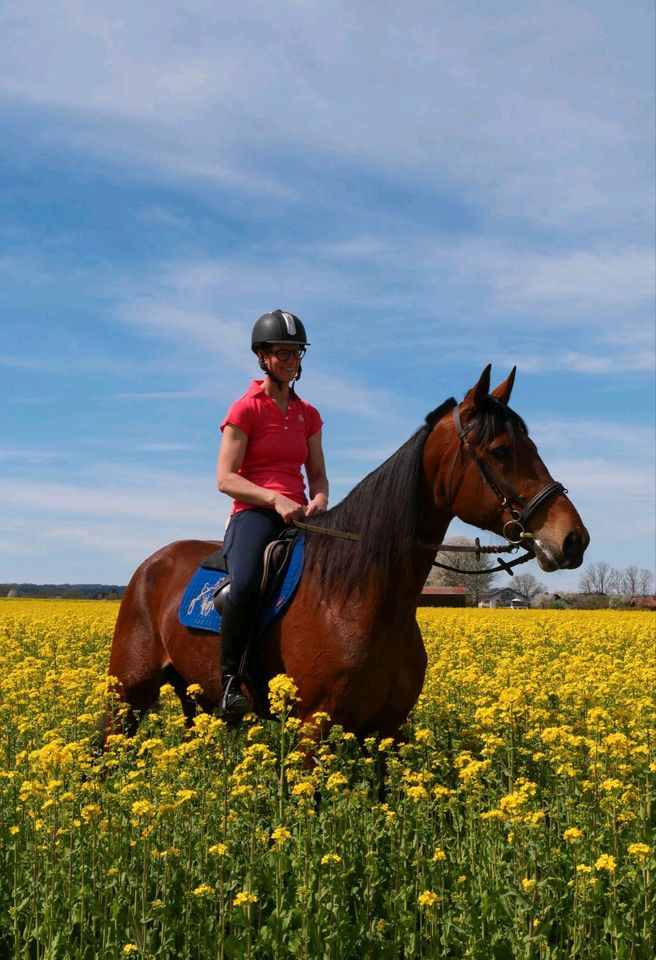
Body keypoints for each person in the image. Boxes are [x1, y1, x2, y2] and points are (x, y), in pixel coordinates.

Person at [216, 310, 329, 721]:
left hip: (301, 515)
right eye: (281, 352)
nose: (290, 359)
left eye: (296, 351)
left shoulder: (309, 415)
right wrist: (274, 499)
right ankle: (231, 682)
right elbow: (225, 479)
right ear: (262, 356)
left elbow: (317, 476)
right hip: (254, 513)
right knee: (246, 583)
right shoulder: (245, 409)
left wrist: (319, 500)